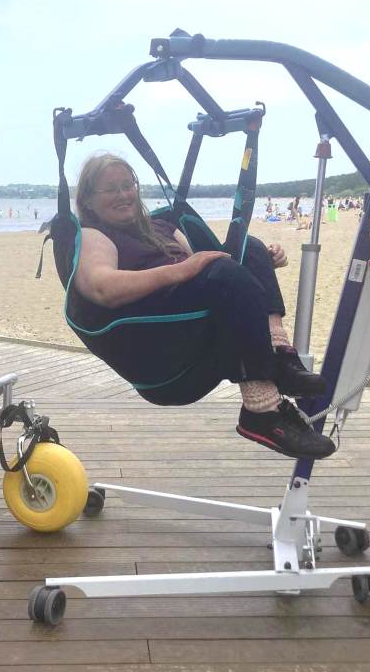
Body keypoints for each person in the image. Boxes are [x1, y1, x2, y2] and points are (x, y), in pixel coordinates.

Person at [74, 153, 334, 460]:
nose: (123, 195)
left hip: (200, 328)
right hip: (161, 347)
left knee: (249, 248)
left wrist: (261, 262)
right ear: (88, 200)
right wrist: (181, 271)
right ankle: (261, 408)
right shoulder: (95, 235)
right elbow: (101, 287)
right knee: (224, 268)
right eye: (110, 189)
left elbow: (215, 267)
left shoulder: (162, 225)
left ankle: (279, 354)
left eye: (127, 185)